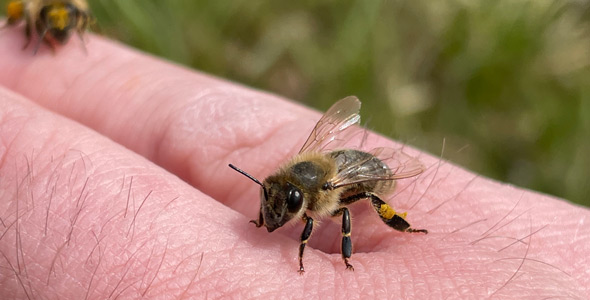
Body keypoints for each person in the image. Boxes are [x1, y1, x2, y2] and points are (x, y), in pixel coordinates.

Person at [0, 30, 588, 299]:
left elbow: (340, 204)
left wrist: (315, 252)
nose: (277, 211)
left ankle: (400, 228)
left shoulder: (331, 192)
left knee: (362, 210)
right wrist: (266, 211)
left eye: (284, 208)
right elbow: (289, 182)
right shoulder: (288, 182)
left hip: (358, 171)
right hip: (334, 158)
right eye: (275, 202)